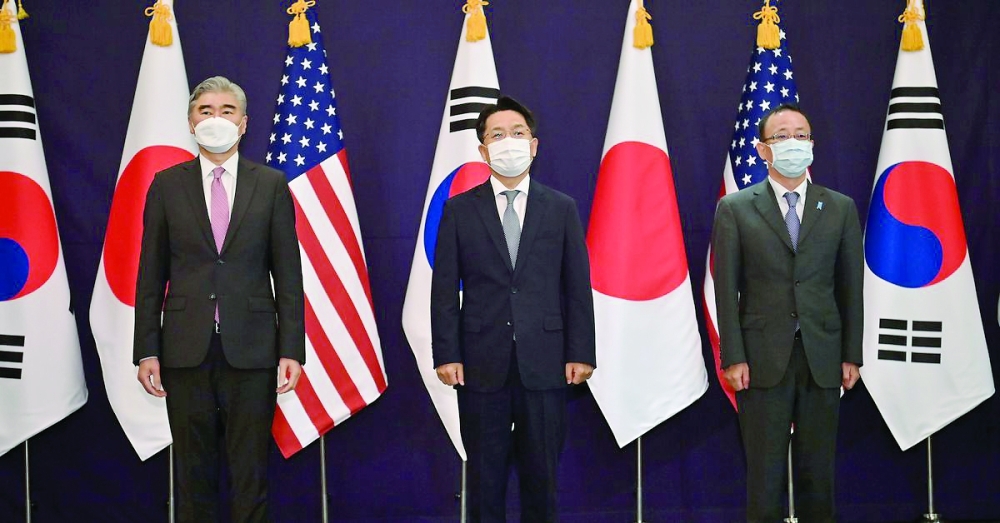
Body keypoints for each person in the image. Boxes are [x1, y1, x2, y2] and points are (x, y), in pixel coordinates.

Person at [133, 76, 305, 523]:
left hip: (252, 350)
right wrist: (147, 348)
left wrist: (291, 349)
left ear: (244, 123)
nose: (215, 119)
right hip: (184, 350)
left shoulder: (269, 184)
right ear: (190, 122)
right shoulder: (166, 184)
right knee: (193, 475)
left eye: (226, 111)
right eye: (205, 110)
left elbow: (287, 274)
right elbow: (150, 273)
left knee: (250, 472)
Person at [431, 96, 596, 522]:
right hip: (481, 364)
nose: (510, 143)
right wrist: (446, 353)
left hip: (546, 363)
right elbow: (444, 288)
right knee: (485, 479)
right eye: (497, 135)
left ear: (534, 145)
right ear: (483, 151)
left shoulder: (561, 208)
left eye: (518, 133)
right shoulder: (459, 210)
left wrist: (581, 352)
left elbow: (576, 287)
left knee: (542, 476)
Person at [712, 104, 863, 523]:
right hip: (760, 360)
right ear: (762, 149)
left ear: (812, 144)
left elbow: (851, 287)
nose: (793, 143)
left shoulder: (839, 207)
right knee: (763, 475)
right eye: (781, 136)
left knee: (819, 475)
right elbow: (726, 290)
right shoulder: (737, 208)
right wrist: (733, 356)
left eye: (801, 134)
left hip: (823, 356)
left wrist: (852, 353)